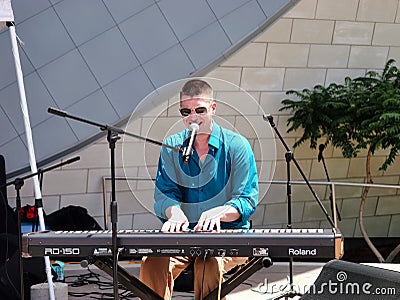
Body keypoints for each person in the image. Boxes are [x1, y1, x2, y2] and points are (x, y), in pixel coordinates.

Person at [139, 79, 259, 300]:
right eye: (186, 111)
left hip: (229, 236)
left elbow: (246, 200)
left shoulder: (237, 146)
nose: (193, 117)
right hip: (185, 237)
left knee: (208, 262)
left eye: (199, 110)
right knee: (152, 261)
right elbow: (165, 195)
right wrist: (174, 213)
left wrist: (220, 212)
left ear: (213, 108)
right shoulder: (172, 146)